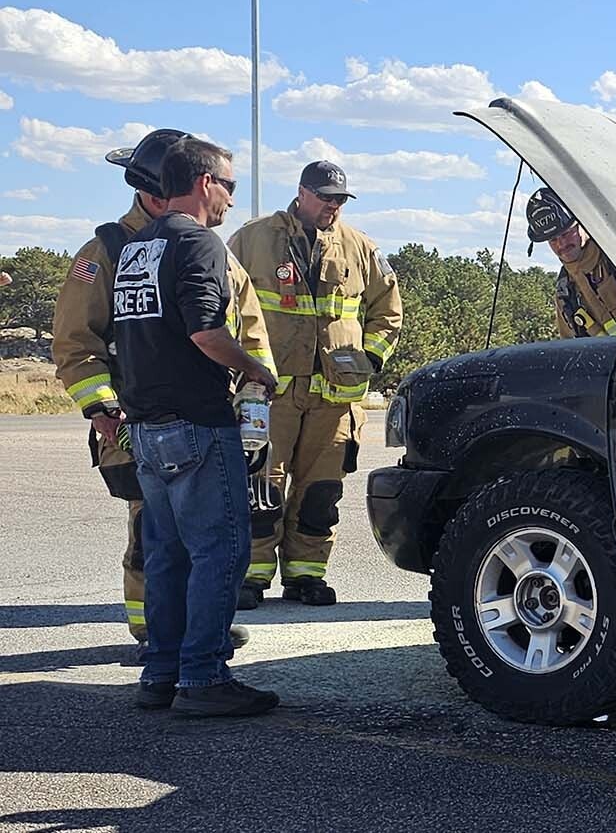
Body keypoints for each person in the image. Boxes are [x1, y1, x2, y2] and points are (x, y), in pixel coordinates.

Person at [52, 129, 269, 664]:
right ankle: (162, 641)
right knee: (156, 539)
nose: (231, 199)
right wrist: (102, 407)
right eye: (225, 186)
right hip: (141, 420)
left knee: (186, 539)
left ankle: (185, 642)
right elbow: (76, 341)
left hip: (198, 416)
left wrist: (254, 400)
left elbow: (249, 325)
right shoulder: (107, 250)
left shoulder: (204, 246)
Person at [111, 138, 279, 716]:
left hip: (147, 427)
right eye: (229, 186)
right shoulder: (199, 242)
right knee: (223, 551)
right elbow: (207, 332)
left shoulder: (137, 247)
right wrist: (256, 369)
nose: (233, 198)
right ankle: (203, 677)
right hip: (197, 425)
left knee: (167, 553)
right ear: (205, 183)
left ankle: (161, 673)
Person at [228, 161, 402, 608]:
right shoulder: (253, 239)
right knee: (262, 486)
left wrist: (372, 357)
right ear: (302, 192)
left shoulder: (360, 247)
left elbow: (388, 309)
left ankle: (306, 576)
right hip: (270, 396)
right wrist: (236, 365)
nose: (333, 205)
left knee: (321, 493)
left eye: (340, 198)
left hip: (335, 400)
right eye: (326, 196)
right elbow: (222, 301)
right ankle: (251, 575)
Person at [525, 188, 616, 338]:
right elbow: (569, 345)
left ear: (582, 223)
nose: (561, 244)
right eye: (553, 240)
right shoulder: (564, 291)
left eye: (566, 234)